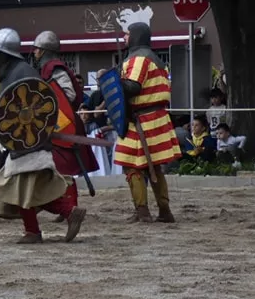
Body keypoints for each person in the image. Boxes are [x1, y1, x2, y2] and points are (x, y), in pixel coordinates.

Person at [0, 28, 86, 244]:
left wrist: (3, 130)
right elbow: (11, 111)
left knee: (22, 190)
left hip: (29, 143)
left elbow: (32, 109)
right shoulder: (18, 72)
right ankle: (44, 225)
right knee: (25, 191)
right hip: (25, 142)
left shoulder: (21, 73)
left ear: (4, 55)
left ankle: (53, 220)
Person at [113, 22, 182, 223]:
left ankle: (142, 211)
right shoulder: (158, 60)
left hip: (142, 120)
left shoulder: (139, 59)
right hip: (157, 118)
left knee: (132, 166)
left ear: (135, 36)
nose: (125, 38)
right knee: (155, 167)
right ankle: (164, 210)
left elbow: (133, 87)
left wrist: (115, 80)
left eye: (127, 35)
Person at [32, 31, 98, 221]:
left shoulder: (56, 69)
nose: (34, 52)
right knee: (59, 168)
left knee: (65, 168)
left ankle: (70, 207)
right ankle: (66, 207)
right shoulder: (49, 69)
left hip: (64, 124)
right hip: (57, 125)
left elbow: (67, 95)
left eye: (37, 49)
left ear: (44, 51)